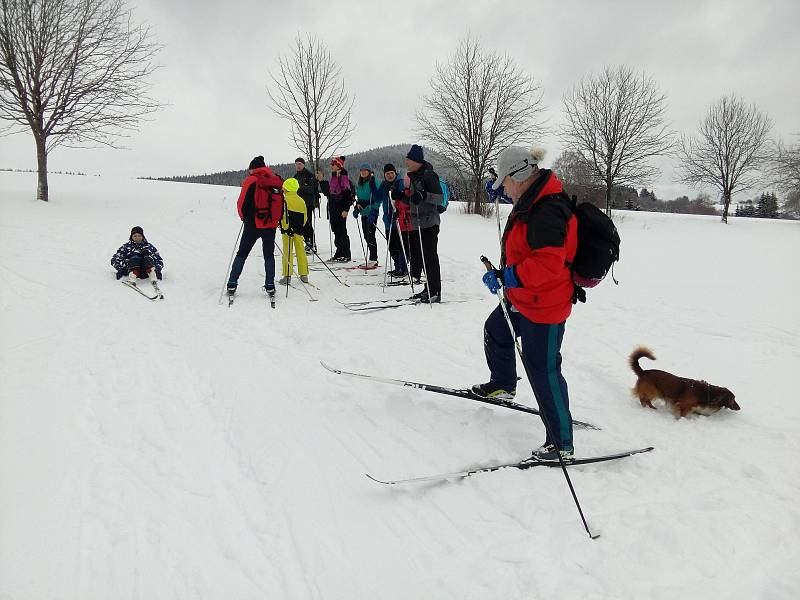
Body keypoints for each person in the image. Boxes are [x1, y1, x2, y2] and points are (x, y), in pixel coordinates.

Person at [472, 146, 578, 461]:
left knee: (543, 369)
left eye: (504, 182)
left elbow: (548, 265)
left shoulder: (548, 209)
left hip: (545, 305)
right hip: (524, 299)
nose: (503, 188)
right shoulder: (530, 200)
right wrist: (508, 279)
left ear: (519, 176)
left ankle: (562, 443)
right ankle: (503, 383)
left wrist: (508, 277)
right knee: (497, 330)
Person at [226, 155, 284, 295]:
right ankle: (270, 284)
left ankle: (232, 283)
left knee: (242, 253)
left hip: (253, 224)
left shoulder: (251, 180)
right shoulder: (275, 179)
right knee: (269, 255)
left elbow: (241, 203)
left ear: (252, 168)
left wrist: (243, 218)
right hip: (270, 224)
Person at [397, 144, 443, 303]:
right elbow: (413, 201)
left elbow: (439, 198)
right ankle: (429, 288)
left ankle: (435, 291)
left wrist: (423, 195)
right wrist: (400, 197)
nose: (406, 162)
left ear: (416, 161)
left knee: (430, 258)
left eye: (409, 159)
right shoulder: (414, 176)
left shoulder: (429, 175)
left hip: (430, 223)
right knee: (423, 258)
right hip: (417, 223)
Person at [317, 156, 353, 262]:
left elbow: (348, 195)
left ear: (338, 166)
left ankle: (346, 253)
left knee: (342, 231)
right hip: (333, 208)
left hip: (341, 208)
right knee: (336, 231)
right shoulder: (334, 177)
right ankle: (339, 252)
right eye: (331, 164)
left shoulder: (343, 177)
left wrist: (346, 209)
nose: (331, 166)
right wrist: (322, 181)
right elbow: (328, 193)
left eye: (333, 164)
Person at [375, 163, 407, 277]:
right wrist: (374, 186)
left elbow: (406, 199)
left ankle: (404, 268)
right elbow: (377, 198)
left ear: (395, 172)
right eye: (387, 174)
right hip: (388, 221)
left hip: (399, 220)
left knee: (400, 245)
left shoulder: (400, 183)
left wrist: (400, 211)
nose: (389, 175)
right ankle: (397, 267)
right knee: (392, 246)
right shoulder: (384, 185)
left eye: (391, 173)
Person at [278, 177, 309, 285]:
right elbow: (305, 217)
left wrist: (285, 228)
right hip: (299, 230)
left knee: (287, 251)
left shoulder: (285, 200)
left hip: (288, 232)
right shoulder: (301, 200)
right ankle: (304, 274)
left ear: (287, 188)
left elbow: (284, 216)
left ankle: (287, 276)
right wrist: (300, 227)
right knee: (301, 251)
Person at [353, 163, 380, 266]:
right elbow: (360, 199)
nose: (363, 172)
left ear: (369, 172)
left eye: (365, 170)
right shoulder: (360, 183)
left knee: (370, 234)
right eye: (362, 170)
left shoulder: (373, 182)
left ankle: (374, 258)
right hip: (364, 212)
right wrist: (357, 207)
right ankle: (372, 258)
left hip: (372, 211)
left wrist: (374, 211)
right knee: (366, 235)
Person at [293, 157, 319, 253]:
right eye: (296, 164)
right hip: (298, 204)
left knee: (308, 223)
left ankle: (312, 243)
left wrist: (300, 188)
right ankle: (307, 241)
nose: (298, 166)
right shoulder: (295, 176)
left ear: (303, 164)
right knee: (301, 224)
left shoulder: (309, 175)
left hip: (308, 203)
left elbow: (312, 189)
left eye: (300, 164)